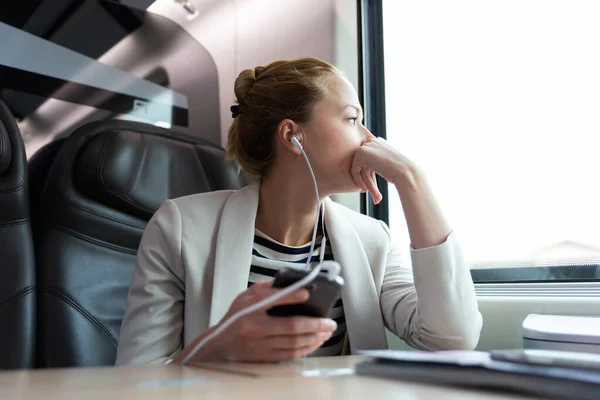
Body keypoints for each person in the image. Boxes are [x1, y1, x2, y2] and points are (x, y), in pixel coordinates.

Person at [115, 57, 482, 365]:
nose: (369, 139)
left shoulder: (373, 241)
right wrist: (217, 347)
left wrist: (411, 181)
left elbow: (452, 339)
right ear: (293, 135)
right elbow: (136, 379)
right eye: (352, 119)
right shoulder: (179, 228)